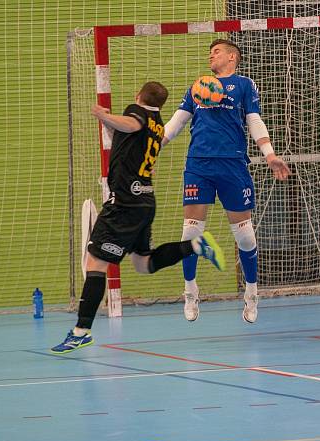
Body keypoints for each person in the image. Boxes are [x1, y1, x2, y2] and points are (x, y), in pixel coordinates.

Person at [52, 82, 226, 354]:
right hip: (144, 202)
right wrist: (110, 125)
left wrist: (103, 115)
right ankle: (195, 245)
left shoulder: (137, 113)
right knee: (143, 264)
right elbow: (131, 136)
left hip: (124, 205)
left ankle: (81, 331)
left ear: (138, 97)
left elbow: (132, 125)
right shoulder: (157, 124)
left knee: (95, 263)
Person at [162, 39, 290, 324]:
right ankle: (190, 290)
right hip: (199, 165)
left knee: (244, 235)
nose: (211, 55)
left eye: (217, 51)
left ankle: (252, 292)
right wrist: (154, 144)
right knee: (190, 233)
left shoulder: (244, 85)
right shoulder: (198, 87)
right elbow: (177, 121)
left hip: (232, 165)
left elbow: (254, 120)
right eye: (210, 52)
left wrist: (269, 155)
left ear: (232, 57)